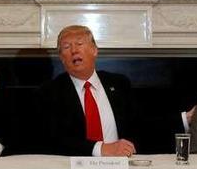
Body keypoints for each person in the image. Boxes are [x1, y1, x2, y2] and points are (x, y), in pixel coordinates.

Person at [38, 25, 138, 156]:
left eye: (79, 43)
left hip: (121, 165)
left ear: (94, 50)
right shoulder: (49, 92)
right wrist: (99, 149)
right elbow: (52, 138)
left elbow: (137, 127)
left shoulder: (119, 83)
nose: (74, 50)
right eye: (66, 47)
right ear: (62, 58)